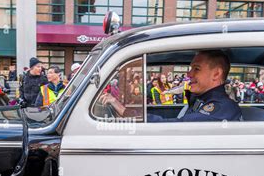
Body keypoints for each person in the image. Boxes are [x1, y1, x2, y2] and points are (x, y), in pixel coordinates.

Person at [101, 50, 241, 122]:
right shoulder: (202, 100)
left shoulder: (220, 108)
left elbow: (173, 127)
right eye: (190, 68)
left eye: (196, 69)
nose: (189, 73)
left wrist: (123, 110)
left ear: (216, 74)